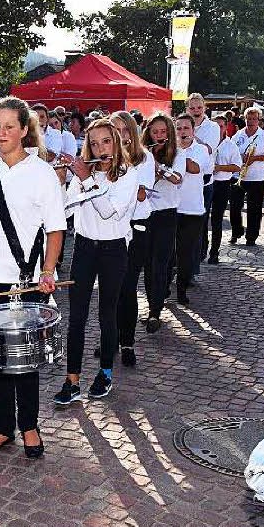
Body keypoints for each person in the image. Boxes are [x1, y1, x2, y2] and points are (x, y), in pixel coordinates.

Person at [0, 97, 63, 459]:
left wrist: (48, 271)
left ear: (25, 130)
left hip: (28, 281)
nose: (1, 133)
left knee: (25, 360)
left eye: (9, 126)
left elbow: (55, 229)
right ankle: (3, 427)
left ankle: (30, 426)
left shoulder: (41, 173)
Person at [53, 119, 136, 405]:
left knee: (106, 314)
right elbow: (66, 207)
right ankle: (72, 379)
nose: (100, 148)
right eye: (95, 143)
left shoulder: (128, 175)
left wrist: (86, 180)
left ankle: (105, 373)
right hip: (85, 247)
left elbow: (108, 212)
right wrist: (65, 179)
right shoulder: (83, 173)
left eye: (106, 141)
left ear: (117, 142)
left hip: (114, 249)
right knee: (76, 316)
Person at [112, 111, 154, 367]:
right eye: (113, 130)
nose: (118, 135)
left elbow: (139, 195)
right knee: (110, 289)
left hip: (136, 226)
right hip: (112, 228)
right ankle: (111, 338)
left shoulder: (144, 158)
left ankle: (127, 342)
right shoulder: (106, 158)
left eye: (122, 130)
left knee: (127, 288)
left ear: (131, 132)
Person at [141, 113, 183, 333]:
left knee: (160, 264)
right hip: (146, 214)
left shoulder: (178, 154)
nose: (158, 136)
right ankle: (152, 308)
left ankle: (155, 312)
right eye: (154, 132)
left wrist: (159, 167)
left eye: (163, 132)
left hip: (166, 214)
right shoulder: (143, 155)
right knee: (147, 265)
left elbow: (178, 178)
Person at [172, 114, 212, 306]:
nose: (182, 132)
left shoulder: (202, 150)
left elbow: (195, 169)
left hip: (193, 210)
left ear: (193, 131)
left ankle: (181, 288)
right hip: (170, 208)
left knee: (185, 252)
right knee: (168, 252)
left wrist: (178, 154)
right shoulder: (169, 149)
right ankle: (163, 287)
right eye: (178, 129)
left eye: (186, 128)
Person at [229, 106, 264, 245]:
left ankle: (251, 236)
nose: (251, 121)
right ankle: (236, 232)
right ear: (245, 119)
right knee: (234, 207)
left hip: (256, 177)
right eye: (248, 119)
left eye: (254, 119)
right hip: (237, 176)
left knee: (254, 209)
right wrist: (239, 156)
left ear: (259, 120)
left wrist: (255, 158)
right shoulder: (238, 135)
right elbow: (230, 152)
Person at [187, 94, 219, 270]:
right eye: (192, 108)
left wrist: (189, 136)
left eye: (198, 108)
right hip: (183, 180)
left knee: (199, 223)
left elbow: (207, 149)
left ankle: (195, 264)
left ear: (204, 108)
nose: (195, 111)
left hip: (203, 182)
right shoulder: (183, 124)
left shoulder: (212, 127)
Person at [207, 114, 243, 265]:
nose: (219, 129)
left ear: (225, 127)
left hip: (222, 184)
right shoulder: (206, 143)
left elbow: (237, 166)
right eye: (216, 126)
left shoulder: (230, 144)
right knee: (201, 219)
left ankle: (214, 252)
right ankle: (201, 249)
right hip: (205, 184)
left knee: (216, 219)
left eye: (221, 126)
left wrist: (218, 167)